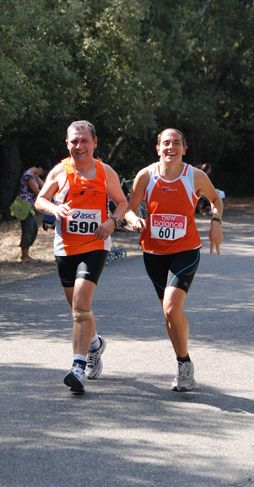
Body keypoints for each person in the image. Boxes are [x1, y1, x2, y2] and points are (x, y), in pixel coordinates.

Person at [125, 128, 223, 392]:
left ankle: (183, 365)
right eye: (166, 143)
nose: (171, 147)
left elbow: (215, 200)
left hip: (186, 250)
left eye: (176, 143)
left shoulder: (195, 176)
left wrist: (215, 222)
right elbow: (129, 209)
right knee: (170, 314)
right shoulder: (146, 176)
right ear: (158, 148)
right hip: (153, 253)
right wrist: (135, 221)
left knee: (171, 308)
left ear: (184, 149)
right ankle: (185, 362)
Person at [35, 121, 127, 394]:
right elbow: (40, 200)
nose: (79, 146)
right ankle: (95, 344)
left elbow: (122, 203)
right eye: (74, 141)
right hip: (65, 247)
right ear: (67, 144)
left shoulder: (104, 172)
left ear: (94, 143)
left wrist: (112, 221)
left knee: (81, 302)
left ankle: (78, 366)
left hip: (96, 244)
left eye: (84, 141)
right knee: (78, 309)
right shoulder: (59, 172)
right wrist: (55, 208)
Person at [18, 157, 51, 263]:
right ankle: (24, 256)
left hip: (30, 206)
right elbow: (37, 190)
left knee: (34, 228)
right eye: (43, 171)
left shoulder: (34, 175)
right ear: (39, 167)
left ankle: (26, 255)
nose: (43, 173)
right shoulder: (29, 175)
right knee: (28, 229)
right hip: (25, 206)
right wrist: (47, 196)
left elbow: (44, 186)